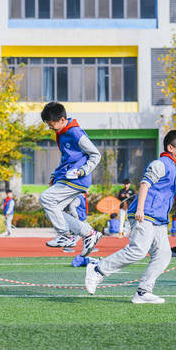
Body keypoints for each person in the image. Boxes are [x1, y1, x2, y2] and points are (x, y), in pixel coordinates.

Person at [85, 130, 176, 304]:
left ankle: (143, 292)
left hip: (159, 219)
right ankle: (98, 269)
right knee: (139, 250)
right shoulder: (161, 164)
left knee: (164, 255)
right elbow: (144, 184)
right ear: (171, 148)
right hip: (145, 214)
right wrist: (140, 209)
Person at [39, 102, 102, 257]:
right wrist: (56, 174)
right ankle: (88, 233)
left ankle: (65, 235)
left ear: (62, 119)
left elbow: (95, 155)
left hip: (77, 179)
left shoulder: (75, 132)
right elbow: (68, 159)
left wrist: (82, 171)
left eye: (51, 124)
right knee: (52, 210)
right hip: (66, 177)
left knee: (46, 198)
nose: (50, 128)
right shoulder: (61, 133)